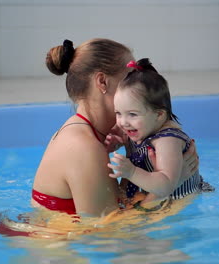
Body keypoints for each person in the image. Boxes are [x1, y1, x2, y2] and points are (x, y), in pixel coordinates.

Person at [30, 39, 200, 217]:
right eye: (129, 77)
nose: (138, 83)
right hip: (55, 241)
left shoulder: (81, 130)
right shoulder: (84, 147)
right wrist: (170, 186)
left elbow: (116, 205)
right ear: (102, 81)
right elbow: (109, 234)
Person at [107, 58, 214, 210]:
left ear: (159, 115)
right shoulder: (139, 127)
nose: (123, 122)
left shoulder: (167, 140)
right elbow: (128, 144)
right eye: (118, 113)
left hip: (180, 204)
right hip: (154, 199)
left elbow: (165, 186)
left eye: (132, 114)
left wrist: (131, 172)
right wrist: (115, 143)